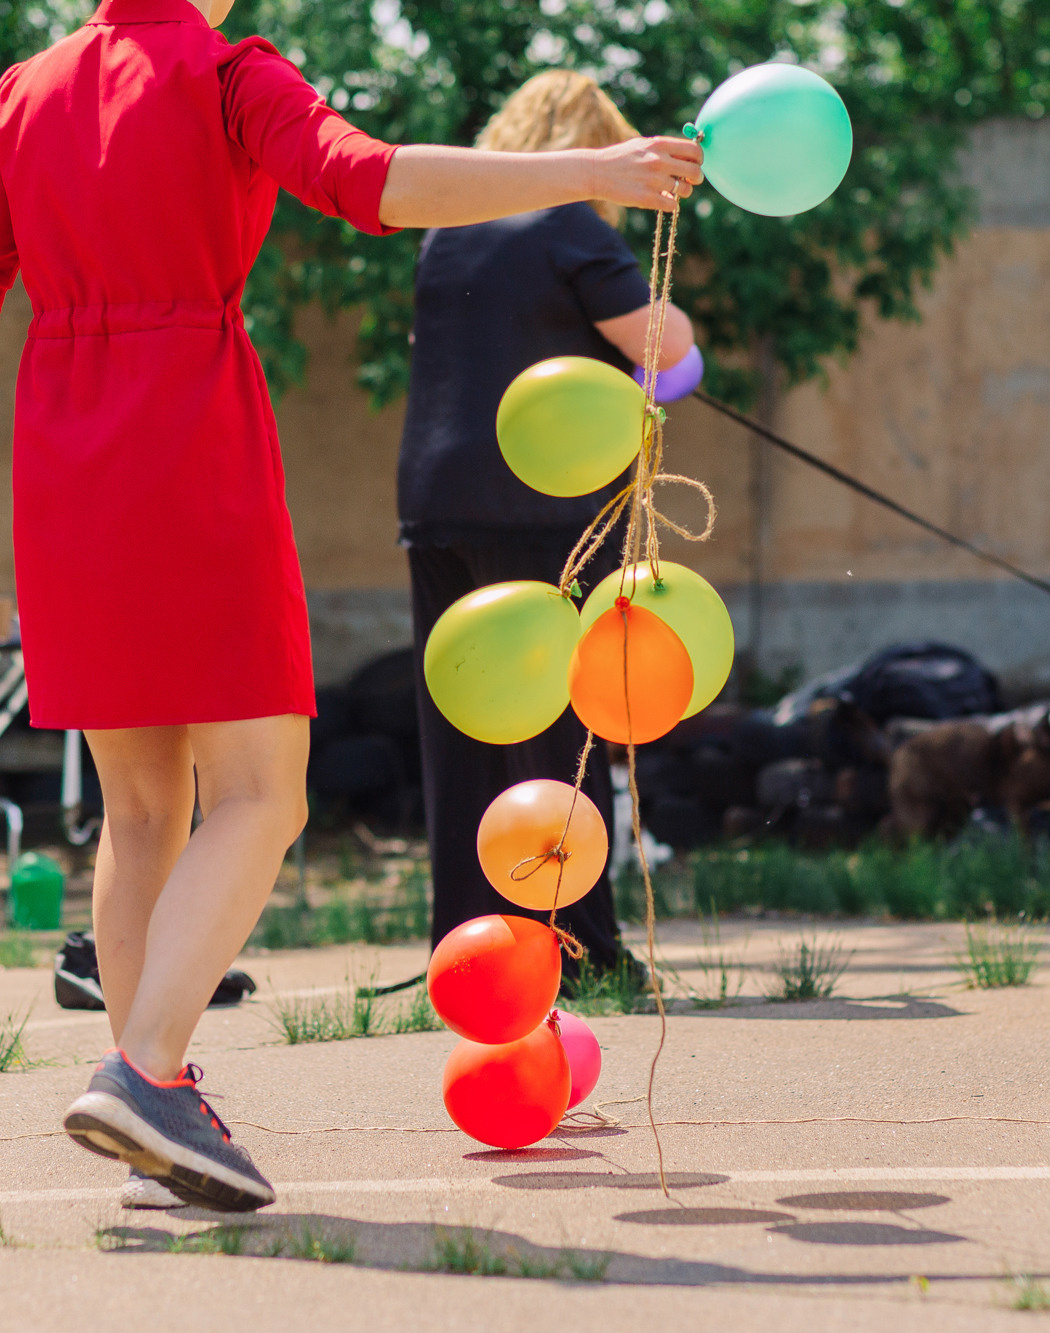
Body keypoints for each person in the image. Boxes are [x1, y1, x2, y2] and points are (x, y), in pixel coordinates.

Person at [0, 0, 703, 1216]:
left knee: (140, 806)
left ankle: (143, 1102)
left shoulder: (26, 91)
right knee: (263, 792)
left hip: (61, 452)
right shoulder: (229, 74)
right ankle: (147, 1072)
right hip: (187, 435)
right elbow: (373, 182)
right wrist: (592, 168)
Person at [400, 71, 695, 976]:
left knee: (462, 727)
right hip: (539, 511)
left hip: (434, 502)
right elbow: (668, 349)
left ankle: (467, 943)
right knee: (564, 735)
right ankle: (583, 946)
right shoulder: (570, 223)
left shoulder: (449, 229)